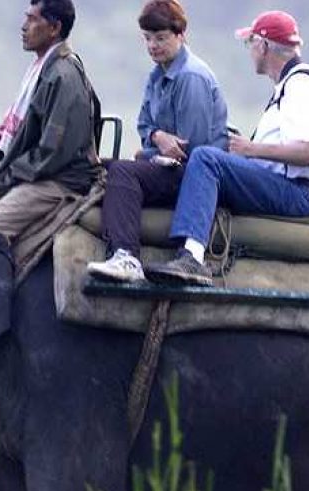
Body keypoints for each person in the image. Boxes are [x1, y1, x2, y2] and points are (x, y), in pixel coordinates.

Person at [145, 10, 309, 287]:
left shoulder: (301, 86)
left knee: (206, 159)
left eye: (251, 44)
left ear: (264, 46)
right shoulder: (288, 86)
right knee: (213, 156)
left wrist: (251, 150)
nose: (250, 52)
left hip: (299, 193)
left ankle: (192, 256)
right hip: (286, 185)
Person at [85, 0, 228, 283]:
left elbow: (193, 151)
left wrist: (150, 153)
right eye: (148, 39)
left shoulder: (191, 78)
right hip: (166, 163)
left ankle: (126, 255)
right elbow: (144, 124)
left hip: (194, 177)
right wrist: (157, 138)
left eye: (161, 38)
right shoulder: (158, 73)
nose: (153, 46)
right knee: (99, 165)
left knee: (124, 171)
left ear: (180, 35)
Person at [0, 0, 103, 241]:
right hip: (43, 177)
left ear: (54, 28)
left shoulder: (62, 76)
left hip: (59, 183)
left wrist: (10, 171)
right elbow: (31, 139)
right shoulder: (43, 70)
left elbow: (52, 152)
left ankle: (0, 281)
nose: (24, 26)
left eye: (32, 19)